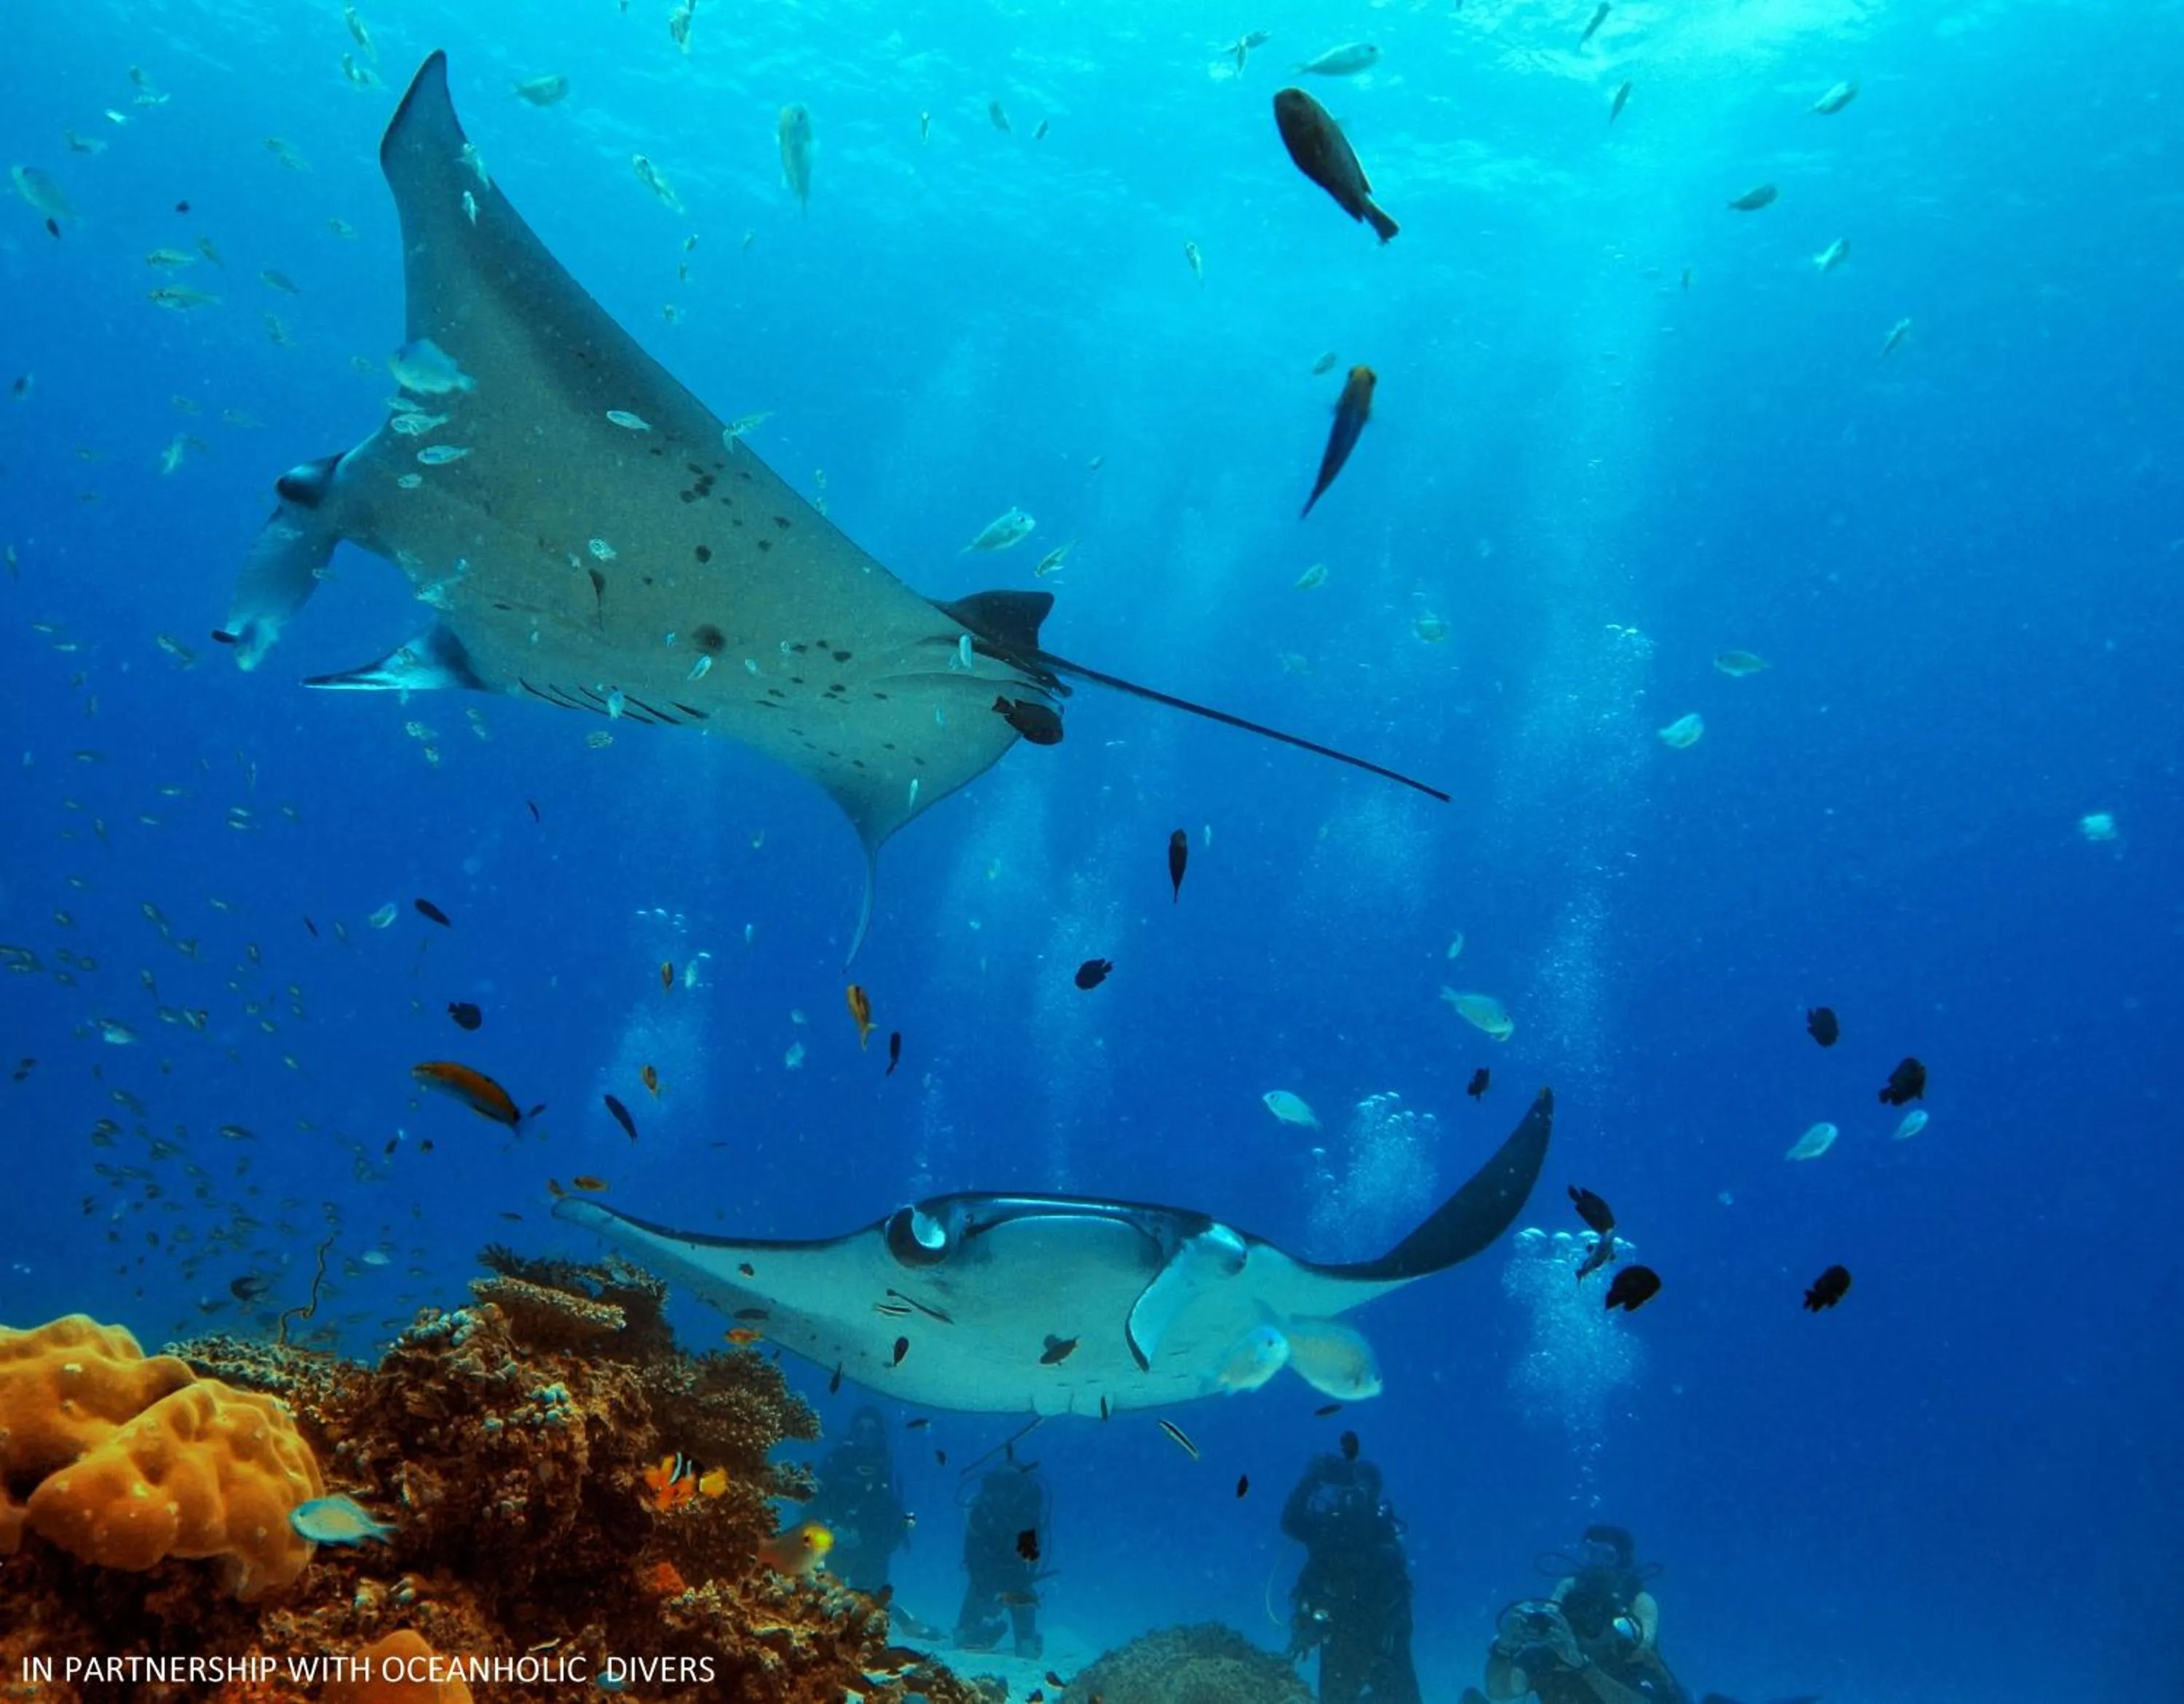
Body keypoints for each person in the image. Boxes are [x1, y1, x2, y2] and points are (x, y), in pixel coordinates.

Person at [1482, 1526, 1690, 1704]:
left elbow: (1643, 1649)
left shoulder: (1637, 1661)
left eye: (1608, 1555)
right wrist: (1504, 1648)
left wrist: (1584, 1666)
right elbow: (1499, 1691)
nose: (1584, 1627)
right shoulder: (1549, 1656)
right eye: (1591, 1552)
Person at [1281, 1446, 1423, 1704]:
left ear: (1373, 1495)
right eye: (1347, 1489)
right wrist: (1311, 1479)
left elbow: (1390, 1592)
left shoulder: (1381, 1534)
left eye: (1360, 1490)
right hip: (1338, 1631)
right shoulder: (1329, 1527)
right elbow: (1290, 1522)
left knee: (1400, 1696)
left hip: (1381, 1636)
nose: (1351, 1497)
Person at [804, 1405, 909, 1595]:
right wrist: (831, 1528)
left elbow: (896, 1522)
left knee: (866, 1602)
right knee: (820, 1596)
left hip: (871, 1552)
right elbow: (810, 1499)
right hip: (832, 1542)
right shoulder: (837, 1461)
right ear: (853, 1432)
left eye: (871, 1430)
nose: (865, 1435)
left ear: (880, 1434)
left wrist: (865, 1539)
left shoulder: (888, 1470)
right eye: (860, 1429)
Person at [954, 1464, 1047, 1658]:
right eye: (998, 1490)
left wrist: (1006, 1594)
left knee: (1027, 1648)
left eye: (1009, 1490)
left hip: (1014, 1576)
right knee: (963, 1636)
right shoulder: (981, 1513)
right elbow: (972, 1558)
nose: (1003, 1498)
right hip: (988, 1574)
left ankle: (1025, 1641)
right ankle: (1019, 1639)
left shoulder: (1026, 1515)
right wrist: (987, 1591)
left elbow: (1030, 1563)